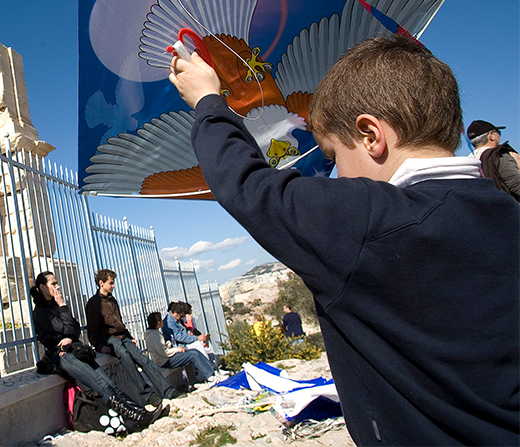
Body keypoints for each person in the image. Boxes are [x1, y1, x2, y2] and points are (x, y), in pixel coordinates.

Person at [169, 35, 519, 445]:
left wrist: (208, 101)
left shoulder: (369, 220)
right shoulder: (506, 211)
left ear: (371, 135)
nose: (334, 177)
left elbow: (249, 185)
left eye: (333, 157)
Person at [29, 272, 163, 426]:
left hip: (75, 349)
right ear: (42, 287)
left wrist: (68, 334)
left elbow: (75, 329)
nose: (57, 286)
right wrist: (64, 309)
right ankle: (138, 417)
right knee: (101, 385)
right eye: (53, 284)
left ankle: (141, 413)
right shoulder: (41, 312)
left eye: (56, 282)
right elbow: (65, 330)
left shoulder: (56, 306)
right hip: (62, 356)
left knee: (109, 383)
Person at [84, 269, 181, 405]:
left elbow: (119, 322)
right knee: (125, 356)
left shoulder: (113, 301)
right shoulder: (93, 304)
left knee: (143, 359)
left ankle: (167, 390)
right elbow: (93, 331)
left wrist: (129, 337)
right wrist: (100, 346)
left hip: (123, 337)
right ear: (101, 283)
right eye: (111, 283)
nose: (113, 286)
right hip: (109, 339)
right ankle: (148, 396)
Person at [145, 312, 217, 387]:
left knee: (193, 352)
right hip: (165, 361)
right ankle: (210, 377)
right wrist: (178, 350)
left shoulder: (154, 333)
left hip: (166, 358)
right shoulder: (154, 335)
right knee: (193, 355)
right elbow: (164, 353)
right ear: (159, 323)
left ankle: (197, 379)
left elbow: (161, 348)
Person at [467, 119, 520, 201]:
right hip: (505, 211)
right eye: (498, 132)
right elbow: (516, 186)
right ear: (491, 135)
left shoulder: (468, 162)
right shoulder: (499, 155)